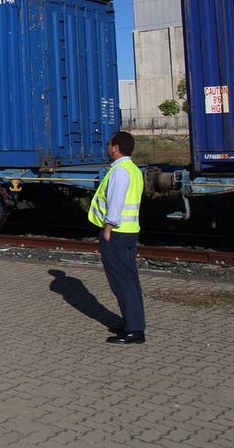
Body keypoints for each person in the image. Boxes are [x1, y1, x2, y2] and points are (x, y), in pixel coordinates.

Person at [88, 130, 146, 345]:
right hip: (130, 230)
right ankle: (133, 323)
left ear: (115, 148)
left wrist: (108, 225)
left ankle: (134, 331)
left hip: (117, 232)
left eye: (108, 144)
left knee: (121, 282)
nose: (107, 147)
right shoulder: (133, 169)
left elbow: (116, 199)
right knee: (130, 280)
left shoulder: (120, 171)